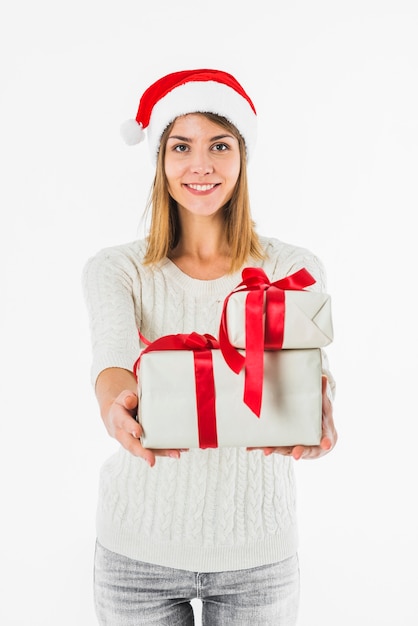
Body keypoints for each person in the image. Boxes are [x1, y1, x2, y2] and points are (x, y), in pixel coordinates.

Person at [82, 68, 337, 626]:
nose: (201, 165)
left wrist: (319, 413)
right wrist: (116, 408)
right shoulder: (118, 269)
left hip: (258, 555)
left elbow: (309, 375)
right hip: (137, 553)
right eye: (182, 146)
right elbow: (113, 361)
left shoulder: (291, 269)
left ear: (242, 157)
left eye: (219, 145)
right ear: (160, 161)